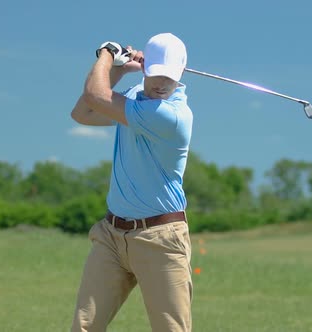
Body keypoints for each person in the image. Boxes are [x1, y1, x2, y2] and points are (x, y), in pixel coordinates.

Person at [70, 33, 193, 332]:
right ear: (146, 68)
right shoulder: (137, 96)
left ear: (181, 74)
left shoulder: (171, 116)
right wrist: (121, 70)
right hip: (112, 236)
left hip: (161, 239)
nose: (161, 84)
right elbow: (83, 113)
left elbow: (96, 96)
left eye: (169, 77)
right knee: (84, 327)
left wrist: (106, 55)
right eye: (155, 74)